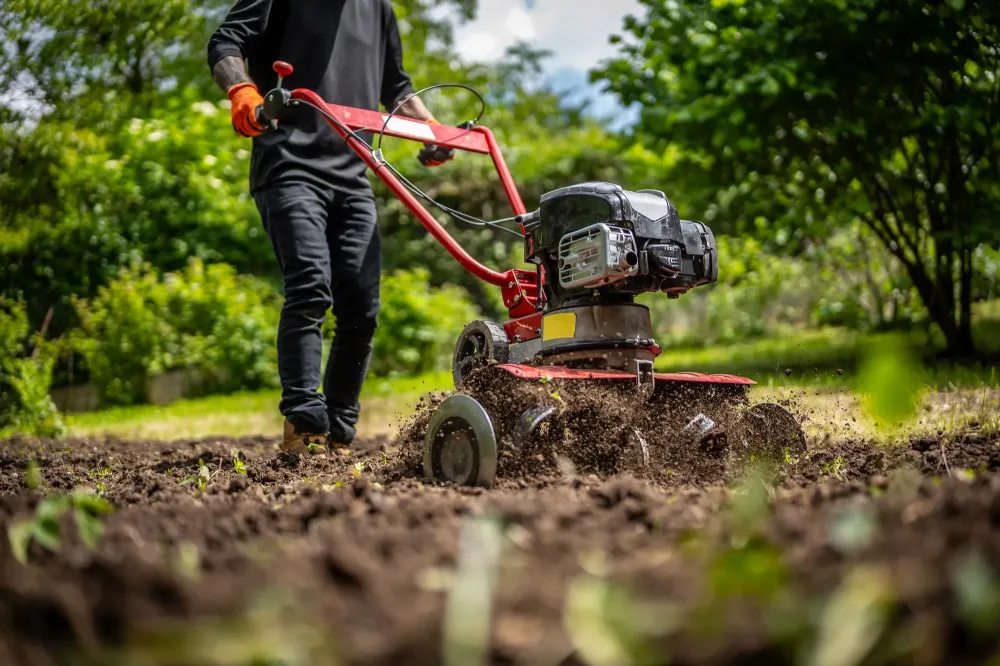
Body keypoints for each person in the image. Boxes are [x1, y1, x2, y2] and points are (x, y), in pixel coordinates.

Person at [207, 0, 454, 455]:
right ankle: (304, 425)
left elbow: (395, 86)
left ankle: (338, 429)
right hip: (289, 163)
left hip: (353, 171)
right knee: (310, 288)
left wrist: (430, 129)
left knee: (362, 307)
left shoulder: (377, 8)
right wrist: (242, 91)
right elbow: (226, 40)